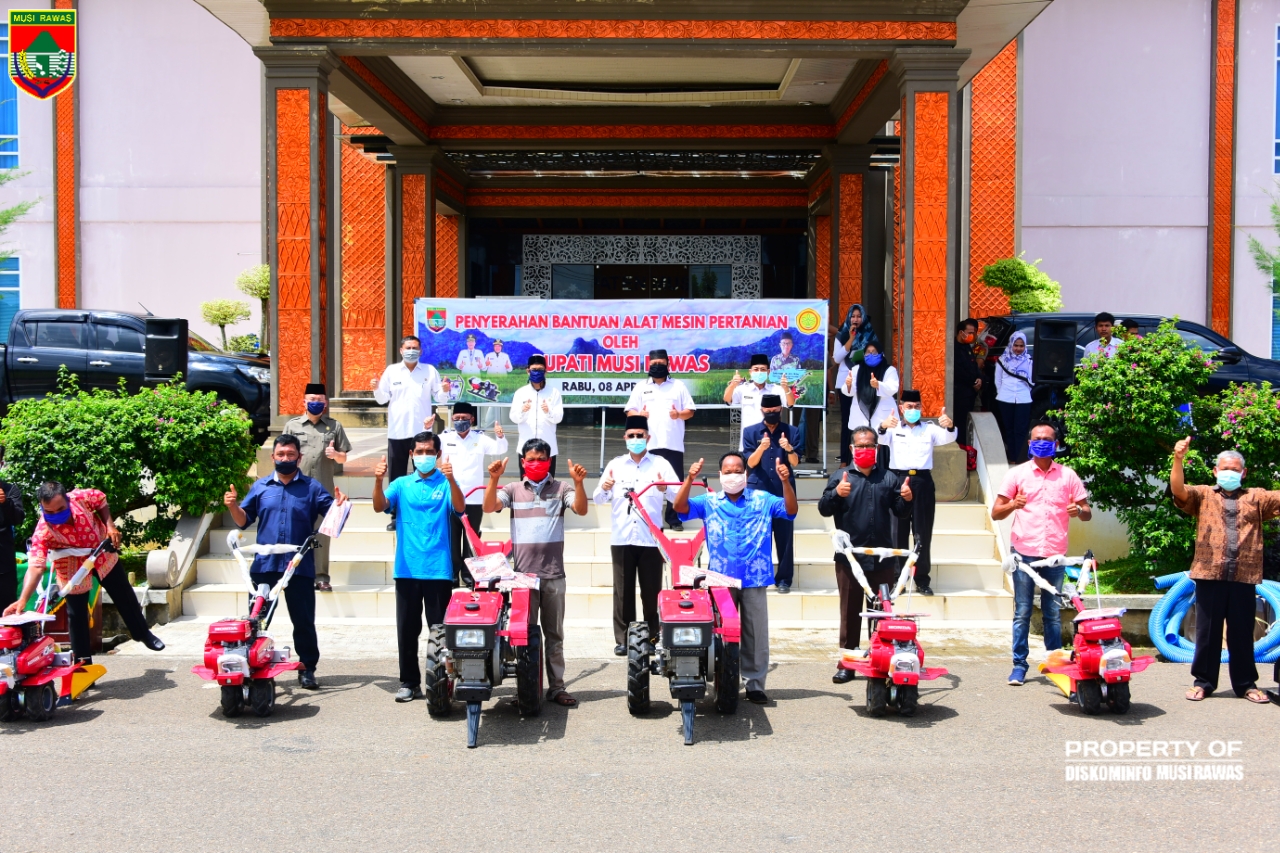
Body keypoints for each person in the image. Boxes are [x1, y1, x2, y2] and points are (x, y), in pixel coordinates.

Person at [223, 434, 346, 690]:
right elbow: (243, 520)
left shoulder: (312, 487)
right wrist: (233, 505)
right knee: (256, 621)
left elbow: (333, 519)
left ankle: (307, 669)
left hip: (298, 567)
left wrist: (340, 505)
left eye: (291, 455)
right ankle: (251, 666)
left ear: (299, 458)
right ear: (273, 457)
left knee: (303, 622)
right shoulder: (260, 487)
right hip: (264, 568)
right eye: (281, 455)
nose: (286, 459)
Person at [675, 451, 797, 705]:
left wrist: (786, 482)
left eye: (737, 470)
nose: (733, 475)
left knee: (755, 634)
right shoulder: (710, 502)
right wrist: (689, 478)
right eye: (727, 471)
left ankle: (754, 685)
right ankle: (722, 678)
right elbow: (679, 508)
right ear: (720, 475)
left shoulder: (762, 499)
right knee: (719, 633)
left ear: (746, 473)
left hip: (754, 578)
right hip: (720, 579)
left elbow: (790, 510)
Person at [6, 483, 165, 661]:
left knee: (123, 593)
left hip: (100, 552)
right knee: (76, 614)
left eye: (60, 509)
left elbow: (101, 500)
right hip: (71, 565)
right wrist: (23, 599)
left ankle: (142, 633)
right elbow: (36, 566)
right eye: (49, 512)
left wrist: (110, 526)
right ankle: (82, 663)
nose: (56, 515)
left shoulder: (81, 497)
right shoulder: (43, 531)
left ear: (67, 500)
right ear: (42, 508)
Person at [1170, 439, 1277, 704]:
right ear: (1216, 471)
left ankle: (1246, 685)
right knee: (1207, 632)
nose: (1230, 472)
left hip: (1244, 575)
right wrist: (1178, 459)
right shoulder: (1203, 494)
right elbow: (1178, 490)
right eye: (1225, 468)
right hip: (1209, 573)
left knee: (1242, 632)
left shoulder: (1257, 497)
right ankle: (1203, 683)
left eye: (1236, 468)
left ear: (1244, 473)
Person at [483, 440, 589, 707]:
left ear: (549, 461)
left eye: (541, 459)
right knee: (525, 635)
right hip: (523, 579)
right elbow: (488, 506)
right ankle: (528, 689)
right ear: (522, 461)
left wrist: (578, 484)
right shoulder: (513, 489)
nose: (536, 464)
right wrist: (493, 479)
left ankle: (556, 687)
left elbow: (581, 508)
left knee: (554, 634)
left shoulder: (562, 488)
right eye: (530, 459)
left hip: (553, 575)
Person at [991, 421, 1091, 686]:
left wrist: (1078, 511)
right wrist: (1014, 504)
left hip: (1055, 555)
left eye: (1048, 438)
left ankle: (1055, 664)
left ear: (1056, 444)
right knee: (1022, 611)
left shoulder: (1068, 475)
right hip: (1024, 554)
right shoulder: (1017, 474)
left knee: (1052, 613)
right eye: (1037, 438)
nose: (1042, 442)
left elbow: (1087, 511)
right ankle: (1019, 666)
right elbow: (996, 511)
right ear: (1029, 443)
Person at [373, 432, 465, 703]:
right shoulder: (401, 484)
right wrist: (378, 480)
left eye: (429, 452)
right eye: (419, 452)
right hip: (407, 569)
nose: (424, 456)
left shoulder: (446, 482)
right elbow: (380, 506)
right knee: (407, 630)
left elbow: (459, 508)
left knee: (441, 631)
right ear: (411, 455)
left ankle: (444, 680)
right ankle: (409, 682)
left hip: (438, 569)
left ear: (437, 455)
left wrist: (451, 479)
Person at [818, 426, 914, 682]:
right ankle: (847, 664)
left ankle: (879, 661)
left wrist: (907, 497)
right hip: (850, 560)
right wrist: (836, 495)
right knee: (849, 613)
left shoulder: (889, 478)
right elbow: (824, 509)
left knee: (881, 614)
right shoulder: (841, 476)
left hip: (882, 559)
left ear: (877, 449)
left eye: (869, 446)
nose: (864, 450)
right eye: (859, 446)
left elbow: (902, 511)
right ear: (851, 449)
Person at [592, 415, 679, 656]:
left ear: (648, 438)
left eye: (640, 435)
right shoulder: (615, 465)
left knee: (652, 592)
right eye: (631, 436)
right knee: (622, 592)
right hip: (621, 538)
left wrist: (665, 488)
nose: (636, 439)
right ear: (624, 438)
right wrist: (605, 488)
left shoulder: (660, 464)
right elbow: (598, 499)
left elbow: (678, 497)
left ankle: (651, 637)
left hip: (651, 539)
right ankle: (624, 639)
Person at [878, 389, 956, 596]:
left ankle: (922, 578)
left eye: (916, 407)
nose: (912, 410)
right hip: (898, 480)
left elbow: (948, 437)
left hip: (922, 481)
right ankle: (897, 578)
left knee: (922, 531)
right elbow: (879, 437)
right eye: (908, 407)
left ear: (921, 408)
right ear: (901, 408)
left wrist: (950, 425)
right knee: (897, 531)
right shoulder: (893, 428)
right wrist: (883, 425)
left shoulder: (929, 429)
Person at [282, 382, 352, 592]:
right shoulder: (292, 426)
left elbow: (343, 458)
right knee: (294, 532)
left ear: (325, 404)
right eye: (311, 400)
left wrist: (335, 455)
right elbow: (283, 455)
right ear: (304, 402)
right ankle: (294, 574)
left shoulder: (334, 426)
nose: (315, 403)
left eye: (319, 401)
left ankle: (321, 577)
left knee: (322, 534)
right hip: (296, 488)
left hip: (323, 490)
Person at [374, 335, 446, 529]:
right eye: (408, 347)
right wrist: (375, 388)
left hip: (421, 434)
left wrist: (445, 389)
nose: (411, 350)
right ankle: (395, 516)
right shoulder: (392, 371)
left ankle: (421, 513)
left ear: (421, 351)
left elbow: (439, 397)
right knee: (397, 475)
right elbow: (382, 399)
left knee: (422, 472)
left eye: (415, 347)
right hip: (397, 432)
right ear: (401, 350)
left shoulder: (429, 371)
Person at [624, 348, 695, 530]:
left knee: (674, 483)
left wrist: (678, 414)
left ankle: (674, 519)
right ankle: (647, 517)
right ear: (648, 365)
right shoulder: (641, 387)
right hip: (648, 444)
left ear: (668, 364)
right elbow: (630, 410)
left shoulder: (678, 386)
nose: (657, 367)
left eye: (660, 364)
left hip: (673, 443)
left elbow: (690, 411)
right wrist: (639, 413)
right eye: (653, 364)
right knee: (647, 481)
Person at [439, 401, 508, 587]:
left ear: (472, 419)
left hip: (474, 499)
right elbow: (427, 446)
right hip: (452, 497)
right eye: (457, 418)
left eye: (464, 418)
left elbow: (499, 450)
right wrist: (426, 428)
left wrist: (500, 436)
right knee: (452, 538)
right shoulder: (444, 438)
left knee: (471, 539)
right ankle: (452, 576)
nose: (460, 421)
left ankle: (469, 576)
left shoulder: (481, 439)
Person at [743, 394, 799, 593]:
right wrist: (761, 448)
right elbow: (749, 463)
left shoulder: (791, 431)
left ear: (781, 410)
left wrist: (789, 449)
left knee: (784, 535)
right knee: (756, 534)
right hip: (758, 490)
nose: (772, 414)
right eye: (768, 412)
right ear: (762, 411)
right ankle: (756, 576)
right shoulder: (750, 432)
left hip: (784, 491)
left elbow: (795, 463)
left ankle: (784, 579)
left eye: (775, 411)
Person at [832, 303, 879, 466]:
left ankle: (864, 456)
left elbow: (878, 354)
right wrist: (851, 339)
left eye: (859, 316)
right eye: (853, 316)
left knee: (864, 419)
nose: (856, 319)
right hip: (846, 381)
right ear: (849, 318)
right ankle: (845, 459)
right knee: (846, 421)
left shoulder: (870, 334)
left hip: (865, 381)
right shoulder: (842, 334)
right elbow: (837, 358)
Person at [840, 341, 899, 469]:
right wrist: (848, 385)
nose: (870, 355)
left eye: (874, 352)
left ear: (881, 354)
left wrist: (879, 385)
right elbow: (848, 392)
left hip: (882, 420)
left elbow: (893, 388)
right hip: (860, 420)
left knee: (882, 457)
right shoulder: (856, 370)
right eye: (868, 352)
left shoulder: (889, 370)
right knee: (861, 454)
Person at [724, 353, 795, 451]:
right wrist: (733, 385)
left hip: (772, 440)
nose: (759, 372)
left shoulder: (776, 389)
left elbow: (790, 403)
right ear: (750, 372)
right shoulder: (743, 389)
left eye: (762, 369)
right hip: (749, 441)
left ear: (768, 371)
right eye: (756, 369)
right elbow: (727, 400)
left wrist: (786, 388)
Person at [509, 355, 564, 479]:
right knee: (526, 485)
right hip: (526, 448)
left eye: (540, 369)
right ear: (528, 371)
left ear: (545, 371)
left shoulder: (554, 392)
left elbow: (559, 418)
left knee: (548, 485)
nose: (537, 372)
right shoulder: (521, 393)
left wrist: (548, 411)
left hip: (548, 448)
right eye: (534, 369)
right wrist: (523, 411)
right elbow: (514, 417)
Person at [994, 332, 1034, 464]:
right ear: (1011, 345)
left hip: (1023, 399)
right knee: (1009, 429)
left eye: (1021, 346)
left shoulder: (1029, 361)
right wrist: (1003, 392)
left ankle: (1021, 458)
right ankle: (1012, 457)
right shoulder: (1002, 360)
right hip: (1005, 398)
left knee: (1021, 430)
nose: (1018, 348)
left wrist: (1025, 391)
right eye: (1016, 345)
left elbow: (1032, 381)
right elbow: (998, 380)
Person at [952, 318, 983, 443]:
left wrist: (979, 379)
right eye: (969, 332)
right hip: (960, 394)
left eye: (974, 332)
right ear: (961, 333)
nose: (972, 336)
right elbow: (958, 371)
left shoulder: (967, 347)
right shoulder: (954, 348)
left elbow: (974, 366)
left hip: (971, 393)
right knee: (960, 425)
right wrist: (972, 382)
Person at [0, 474, 24, 614]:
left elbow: (18, 518)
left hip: (4, 565)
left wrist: (5, 503)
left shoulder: (10, 490)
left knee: (6, 612)